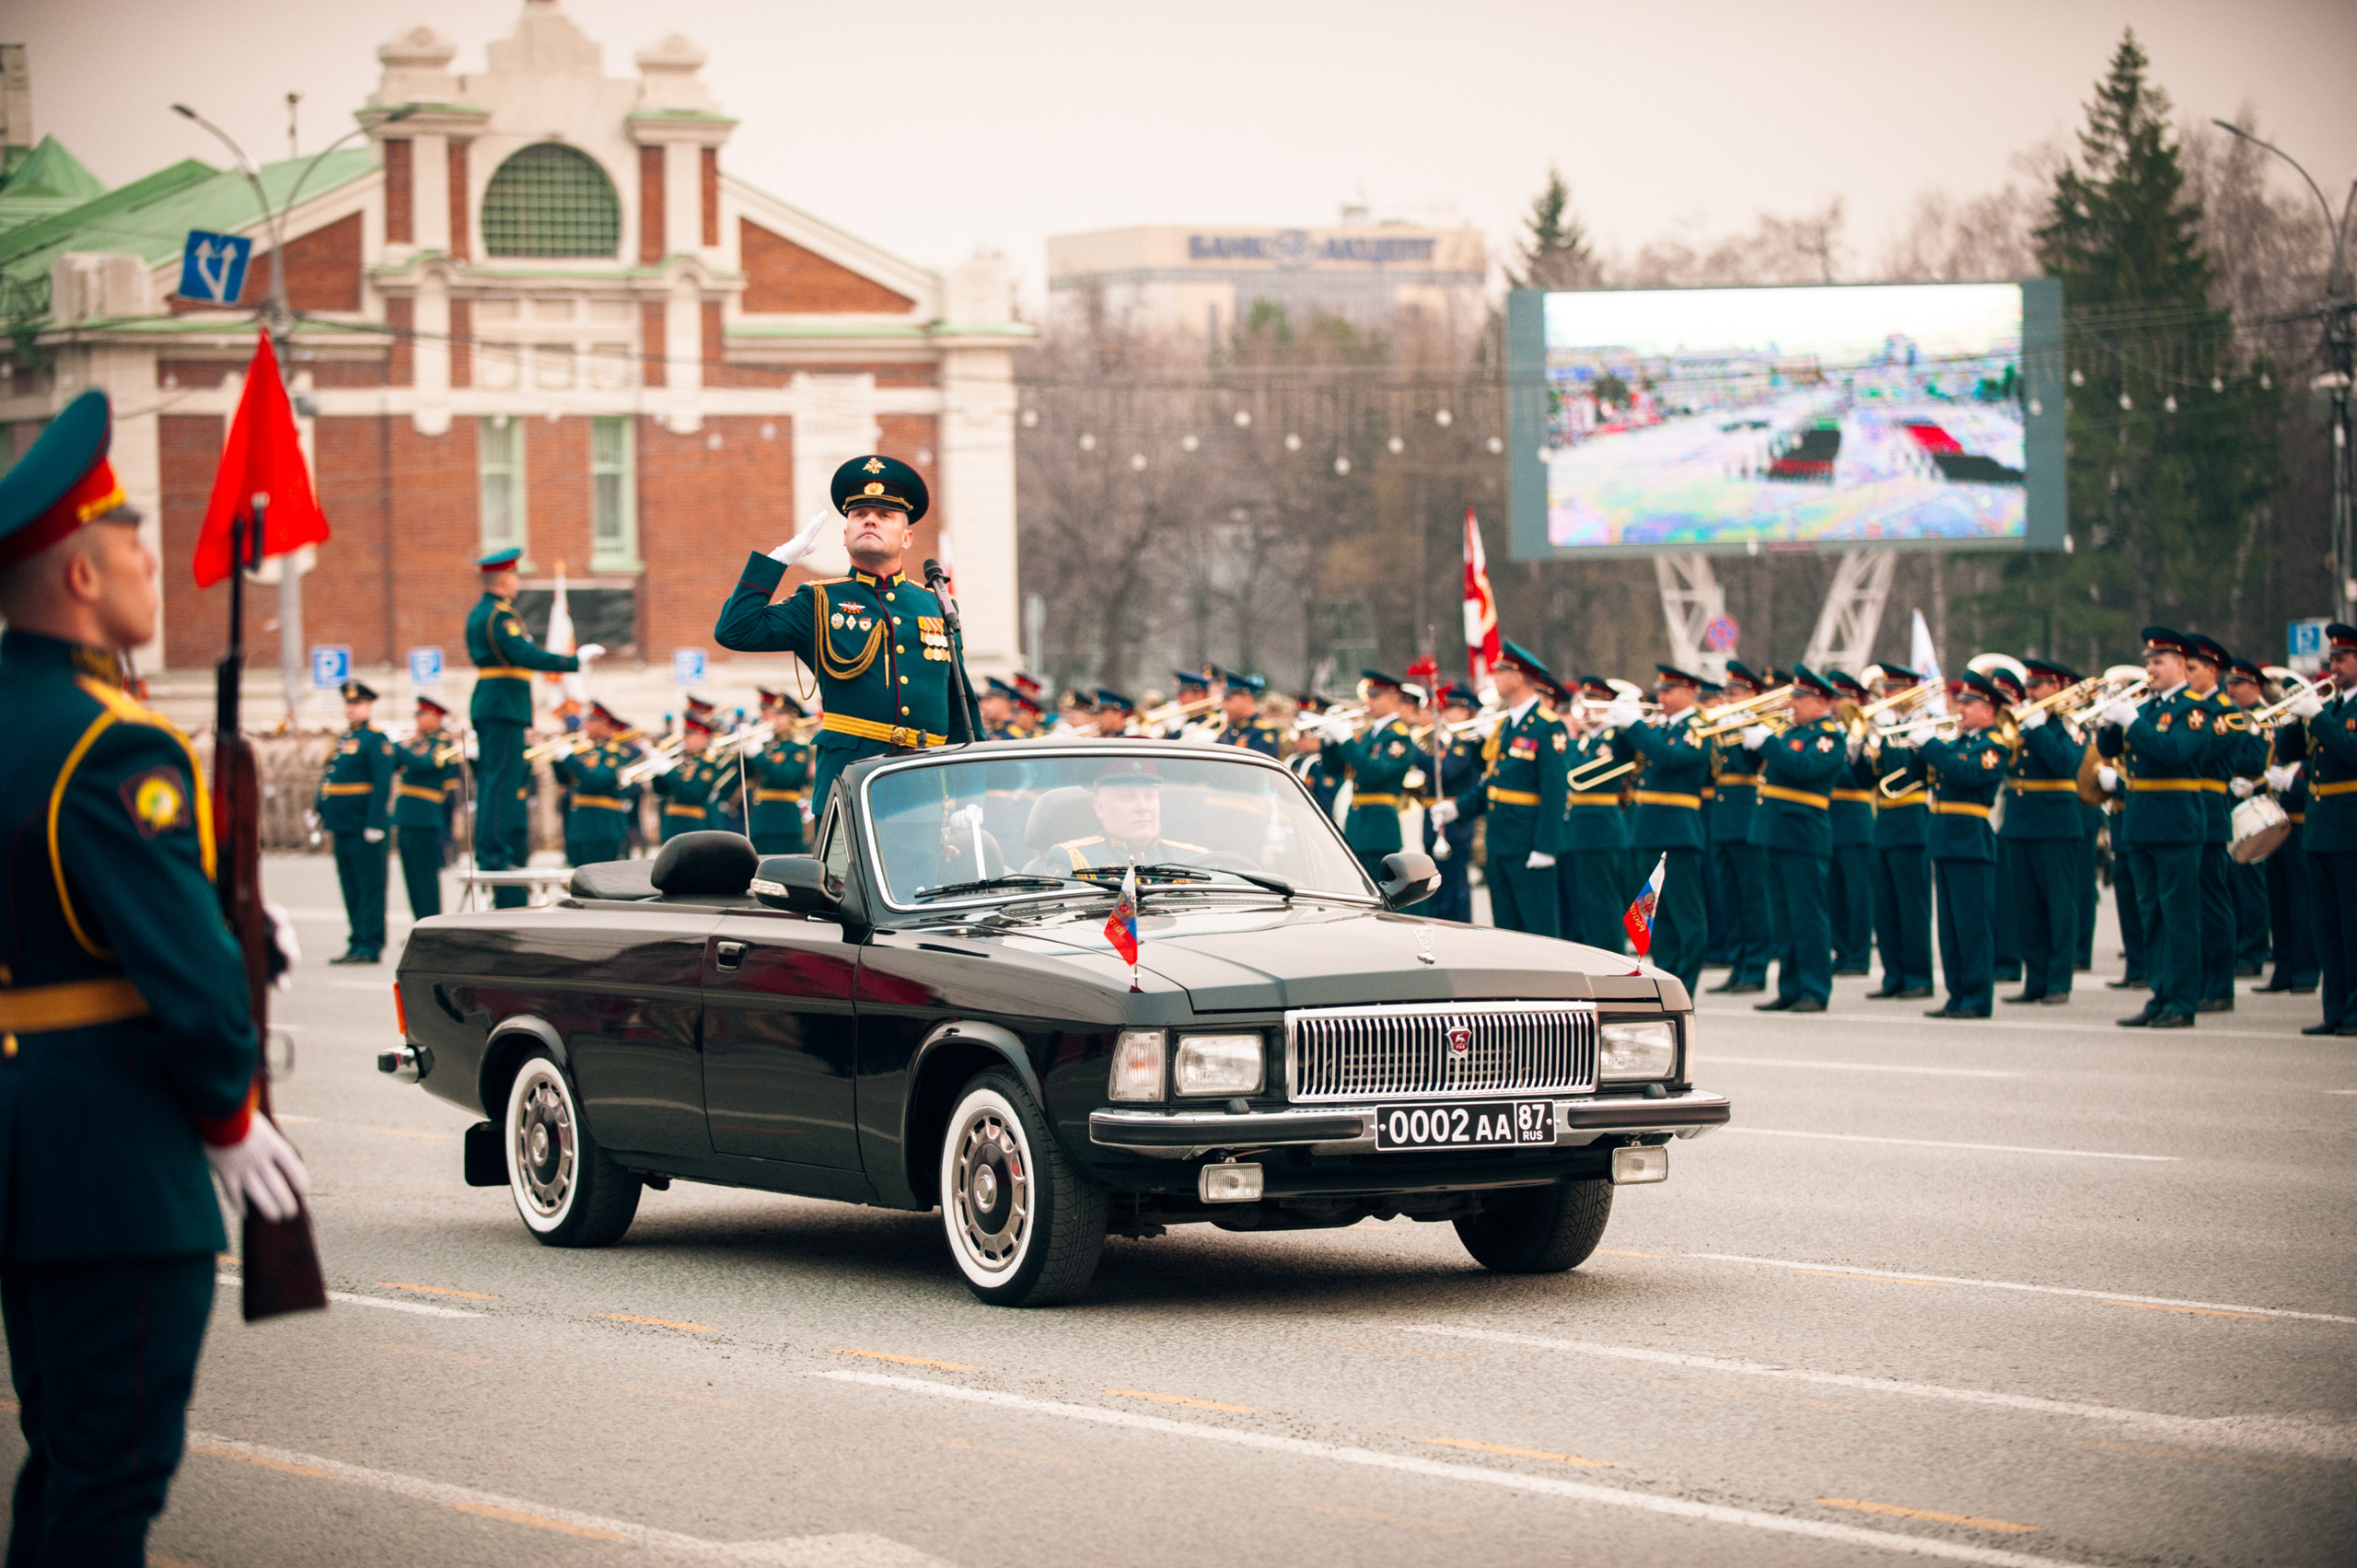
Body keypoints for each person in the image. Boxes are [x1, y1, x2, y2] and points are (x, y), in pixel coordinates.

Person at [0, 389, 309, 1566]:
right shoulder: (116, 741)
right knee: (109, 1478)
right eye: (129, 539)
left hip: (26, 1141)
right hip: (110, 1161)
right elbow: (188, 981)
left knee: (64, 1457)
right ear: (81, 577)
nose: (148, 559)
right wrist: (229, 1110)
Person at [713, 454, 975, 815]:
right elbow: (734, 631)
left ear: (907, 536)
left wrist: (970, 795)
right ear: (846, 534)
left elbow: (962, 709)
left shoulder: (936, 605)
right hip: (848, 789)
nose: (870, 519)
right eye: (859, 515)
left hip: (924, 790)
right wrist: (775, 562)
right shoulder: (819, 601)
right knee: (842, 874)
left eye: (885, 515)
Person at [468, 548, 598, 909]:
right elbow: (523, 656)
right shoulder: (498, 616)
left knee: (504, 781)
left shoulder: (491, 613)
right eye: (515, 576)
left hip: (501, 702)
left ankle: (499, 849)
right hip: (501, 703)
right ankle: (494, 853)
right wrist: (572, 661)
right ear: (505, 579)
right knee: (499, 782)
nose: (517, 582)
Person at [2096, 628, 2212, 1028]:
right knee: (2153, 914)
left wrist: (2131, 719)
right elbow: (2111, 750)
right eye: (2147, 661)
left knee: (2179, 915)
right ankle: (2160, 995)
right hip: (2142, 821)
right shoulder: (2144, 708)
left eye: (2158, 661)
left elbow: (2173, 752)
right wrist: (2109, 719)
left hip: (2177, 822)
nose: (2150, 668)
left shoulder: (2193, 708)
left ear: (2181, 665)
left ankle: (2181, 1001)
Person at [1428, 640, 1566, 936]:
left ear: (1518, 678)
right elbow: (1494, 785)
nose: (1494, 676)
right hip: (1500, 842)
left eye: (1501, 671)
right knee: (1507, 929)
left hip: (1528, 844)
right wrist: (1457, 809)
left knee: (1538, 930)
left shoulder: (1547, 726)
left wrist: (1546, 847)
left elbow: (1555, 793)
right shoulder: (1507, 725)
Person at [1903, 671, 2011, 1019]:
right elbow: (1924, 775)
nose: (1960, 708)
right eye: (1960, 702)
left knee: (1972, 925)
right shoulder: (1960, 743)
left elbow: (1967, 776)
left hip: (1970, 839)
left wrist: (1931, 745)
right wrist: (1916, 743)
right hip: (1945, 836)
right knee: (1949, 927)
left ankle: (1976, 997)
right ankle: (1957, 993)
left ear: (1989, 709)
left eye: (1969, 703)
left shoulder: (1992, 745)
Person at [1743, 665, 1845, 1012]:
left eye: (1799, 698)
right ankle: (1790, 987)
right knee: (1783, 919)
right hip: (1774, 832)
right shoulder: (1789, 733)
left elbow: (1804, 769)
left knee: (1808, 918)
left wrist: (1768, 742)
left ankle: (1814, 989)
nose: (1793, 705)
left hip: (1803, 835)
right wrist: (1751, 741)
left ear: (1820, 701)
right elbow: (1755, 769)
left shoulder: (1828, 736)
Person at [2272, 623, 2357, 1036]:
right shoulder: (2334, 707)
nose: (2334, 667)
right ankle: (2336, 1009)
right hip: (2322, 828)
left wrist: (2319, 717)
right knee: (2328, 927)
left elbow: (2351, 752)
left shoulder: (2340, 713)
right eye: (2331, 660)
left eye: (2342, 659)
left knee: (2353, 925)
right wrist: (2292, 717)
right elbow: (2290, 752)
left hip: (2351, 828)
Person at [1999, 657, 2089, 1005]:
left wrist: (2037, 729)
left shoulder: (2070, 722)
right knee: (2028, 907)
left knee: (2059, 906)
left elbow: (2065, 764)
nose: (2031, 692)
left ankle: (2058, 982)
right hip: (2021, 820)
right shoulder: (2023, 721)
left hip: (2055, 824)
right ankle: (2034, 979)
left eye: (2038, 686)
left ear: (2058, 687)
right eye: (2029, 686)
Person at [1618, 664, 1710, 993]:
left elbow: (1671, 758)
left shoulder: (1698, 727)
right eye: (1661, 689)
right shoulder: (1659, 727)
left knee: (1687, 917)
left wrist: (1636, 726)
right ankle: (1667, 978)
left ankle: (1686, 982)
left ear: (1690, 692)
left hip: (1677, 831)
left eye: (1670, 690)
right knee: (1657, 917)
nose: (1662, 696)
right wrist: (1624, 728)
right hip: (1648, 830)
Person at [2182, 634, 2247, 1012]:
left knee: (2212, 901)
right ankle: (2199, 980)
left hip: (2208, 809)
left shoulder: (2226, 713)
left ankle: (2220, 985)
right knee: (2191, 903)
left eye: (2191, 668)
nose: (2185, 675)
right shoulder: (2188, 709)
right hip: (2188, 812)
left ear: (2211, 670)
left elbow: (2199, 753)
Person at [1865, 665, 1935, 1001]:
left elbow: (1921, 772)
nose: (1887, 696)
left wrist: (1913, 740)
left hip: (1912, 822)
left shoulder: (1924, 725)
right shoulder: (1886, 727)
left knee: (1912, 907)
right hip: (1886, 824)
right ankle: (1893, 975)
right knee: (1886, 907)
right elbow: (1870, 777)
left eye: (1894, 690)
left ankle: (1919, 977)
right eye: (1887, 689)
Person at [316, 679, 394, 963]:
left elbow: (382, 783)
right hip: (342, 824)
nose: (351, 709)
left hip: (364, 825)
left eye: (357, 704)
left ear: (368, 706)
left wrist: (374, 822)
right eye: (349, 704)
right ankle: (356, 940)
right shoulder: (346, 739)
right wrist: (319, 807)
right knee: (350, 885)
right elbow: (330, 777)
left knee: (369, 887)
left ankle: (370, 944)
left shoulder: (376, 739)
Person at [1317, 670, 1421, 885]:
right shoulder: (1367, 735)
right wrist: (1329, 743)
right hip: (1357, 825)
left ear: (1393, 698)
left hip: (1380, 828)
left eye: (1375, 695)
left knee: (1379, 893)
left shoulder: (1398, 736)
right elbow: (1334, 770)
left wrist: (1346, 741)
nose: (1368, 700)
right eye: (1368, 695)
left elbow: (1377, 772)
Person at [1706, 659, 1772, 993]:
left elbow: (1751, 766)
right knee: (1730, 900)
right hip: (1723, 821)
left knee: (1752, 899)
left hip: (1748, 821)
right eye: (1726, 693)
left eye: (1734, 692)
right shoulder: (1724, 726)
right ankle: (1737, 965)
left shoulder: (1761, 726)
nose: (1728, 698)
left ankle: (1755, 969)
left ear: (1752, 694)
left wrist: (1743, 732)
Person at [1027, 762, 1213, 873]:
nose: (1142, 807)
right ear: (1099, 808)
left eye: (1150, 796)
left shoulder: (1197, 860)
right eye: (1127, 797)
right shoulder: (1074, 861)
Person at [2258, 667, 2320, 995]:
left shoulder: (2319, 724)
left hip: (2303, 824)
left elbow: (2316, 766)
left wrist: (2294, 782)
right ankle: (2283, 970)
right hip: (2279, 824)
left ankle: (2306, 971)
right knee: (2279, 904)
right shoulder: (2289, 727)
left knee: (2302, 903)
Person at [1563, 675, 1636, 952]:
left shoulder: (1610, 737)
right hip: (1583, 829)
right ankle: (1598, 954)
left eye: (1594, 702)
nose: (1586, 710)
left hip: (1602, 828)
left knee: (1604, 902)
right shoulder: (1585, 740)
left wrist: (1571, 742)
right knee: (1589, 903)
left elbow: (1586, 772)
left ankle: (1613, 956)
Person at [2223, 659, 2275, 979]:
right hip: (2229, 804)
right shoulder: (2231, 717)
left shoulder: (2261, 719)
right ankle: (2238, 948)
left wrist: (2226, 763)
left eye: (2238, 683)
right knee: (2230, 884)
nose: (2231, 689)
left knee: (2250, 885)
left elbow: (2257, 761)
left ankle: (2253, 951)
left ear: (2255, 687)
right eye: (2229, 683)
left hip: (2252, 804)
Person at [1824, 670, 1877, 975]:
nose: (1835, 704)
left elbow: (1863, 778)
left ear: (1855, 700)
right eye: (1832, 698)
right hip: (1831, 818)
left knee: (1857, 894)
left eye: (1841, 698)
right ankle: (1841, 951)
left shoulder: (1864, 734)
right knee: (1835, 893)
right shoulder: (1829, 734)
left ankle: (1858, 955)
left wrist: (1856, 748)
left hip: (1855, 820)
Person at [390, 694, 461, 921]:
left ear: (437, 717)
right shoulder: (417, 741)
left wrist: (396, 748)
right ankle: (418, 921)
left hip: (426, 815)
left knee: (426, 877)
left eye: (424, 714)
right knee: (411, 876)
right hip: (406, 815)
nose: (418, 719)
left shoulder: (442, 742)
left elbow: (425, 764)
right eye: (418, 714)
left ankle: (431, 921)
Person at [1422, 683, 1483, 923]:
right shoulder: (1443, 741)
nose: (1444, 714)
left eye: (1450, 709)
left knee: (1455, 889)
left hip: (1456, 821)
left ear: (1466, 712)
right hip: (1433, 818)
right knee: (1434, 888)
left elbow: (1447, 771)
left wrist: (1417, 755)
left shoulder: (1466, 741)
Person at [551, 702, 636, 866]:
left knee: (601, 877)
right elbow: (566, 781)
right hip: (580, 825)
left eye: (590, 721)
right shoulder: (584, 752)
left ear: (604, 723)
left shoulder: (614, 753)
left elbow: (597, 780)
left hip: (604, 827)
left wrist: (570, 759)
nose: (585, 725)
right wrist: (557, 761)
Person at [743, 691, 816, 854]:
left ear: (792, 717)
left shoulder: (798, 747)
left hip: (784, 823)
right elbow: (749, 777)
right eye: (773, 715)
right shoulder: (768, 745)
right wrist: (746, 755)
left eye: (780, 716)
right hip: (762, 821)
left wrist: (759, 756)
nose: (774, 720)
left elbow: (785, 777)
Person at [651, 714, 733, 842]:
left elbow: (693, 793)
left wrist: (668, 773)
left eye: (689, 735)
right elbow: (661, 790)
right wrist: (656, 774)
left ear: (702, 737)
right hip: (671, 824)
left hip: (692, 826)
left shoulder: (707, 765)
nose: (684, 739)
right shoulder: (682, 761)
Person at [1213, 672, 1282, 756]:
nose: (1223, 707)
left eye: (1228, 700)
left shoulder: (1262, 733)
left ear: (1248, 698)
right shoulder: (1228, 731)